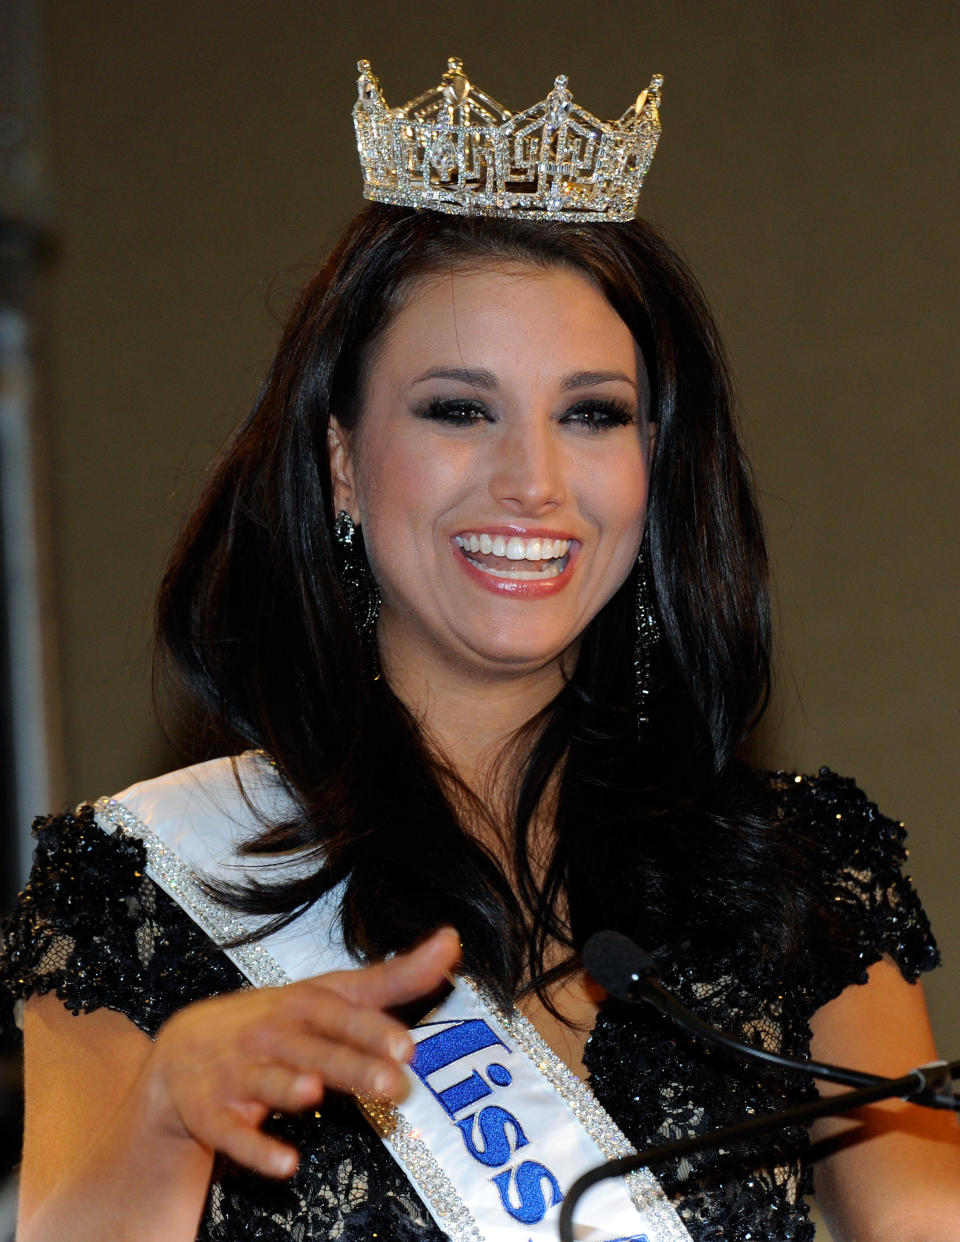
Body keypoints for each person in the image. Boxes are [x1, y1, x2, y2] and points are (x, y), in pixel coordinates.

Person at [3, 58, 960, 1242]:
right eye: (460, 410)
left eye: (593, 414)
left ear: (654, 466)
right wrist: (163, 1116)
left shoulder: (794, 877)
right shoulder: (149, 886)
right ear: (343, 461)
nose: (534, 483)